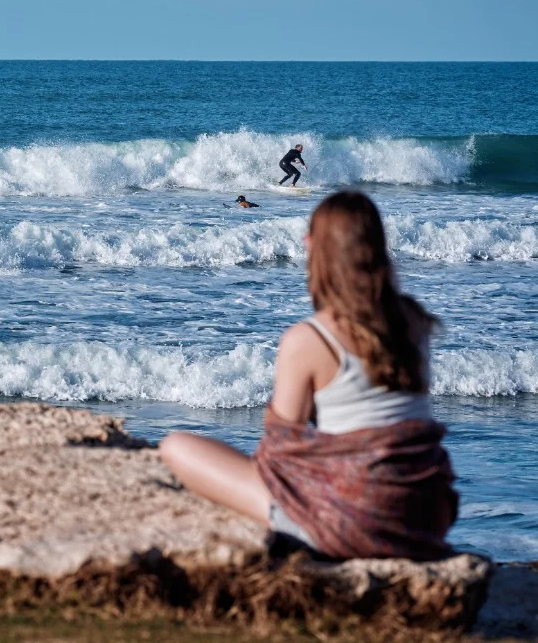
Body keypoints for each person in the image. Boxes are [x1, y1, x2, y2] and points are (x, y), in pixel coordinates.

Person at [159, 191, 458, 560]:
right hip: (428, 517)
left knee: (176, 447)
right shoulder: (415, 321)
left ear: (312, 246)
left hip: (356, 524)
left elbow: (280, 457)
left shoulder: (309, 339)